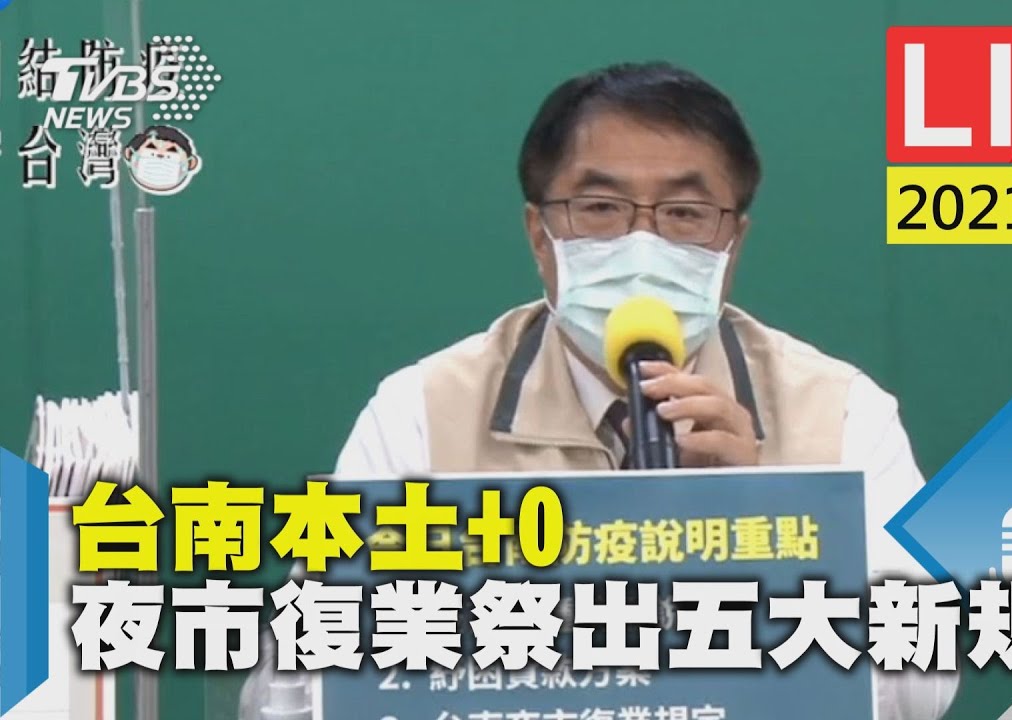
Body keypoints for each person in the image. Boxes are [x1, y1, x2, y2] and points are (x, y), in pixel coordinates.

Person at [243, 61, 958, 720]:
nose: (640, 246)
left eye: (684, 214)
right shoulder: (423, 411)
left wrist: (772, 524)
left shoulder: (840, 410)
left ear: (733, 244)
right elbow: (286, 690)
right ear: (540, 234)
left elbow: (926, 679)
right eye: (600, 208)